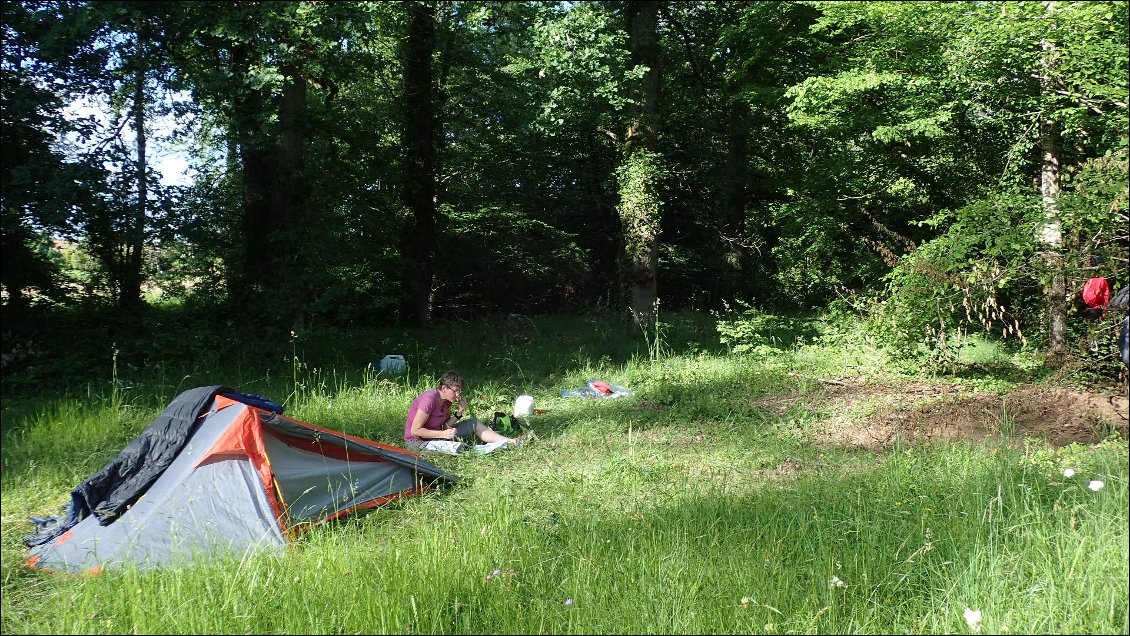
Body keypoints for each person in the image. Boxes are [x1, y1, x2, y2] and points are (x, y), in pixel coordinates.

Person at [404, 371, 523, 452]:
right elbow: (415, 431)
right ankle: (495, 448)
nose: (458, 395)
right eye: (455, 391)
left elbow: (444, 427)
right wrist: (442, 435)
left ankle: (511, 442)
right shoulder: (428, 400)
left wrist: (459, 412)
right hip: (417, 442)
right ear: (444, 388)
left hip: (436, 437)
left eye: (459, 391)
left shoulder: (447, 400)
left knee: (474, 423)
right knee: (459, 448)